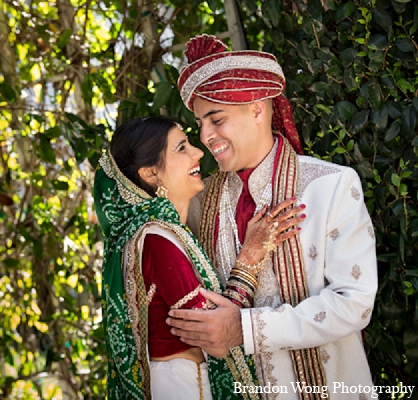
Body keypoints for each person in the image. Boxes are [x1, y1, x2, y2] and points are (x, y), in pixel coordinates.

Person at [167, 34, 378, 399]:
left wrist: (245, 330)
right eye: (200, 124)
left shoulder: (330, 185)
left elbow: (354, 302)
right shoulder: (204, 202)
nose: (206, 136)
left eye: (216, 119)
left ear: (257, 109)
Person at [93, 116, 305, 399]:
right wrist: (250, 257)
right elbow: (216, 340)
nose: (198, 153)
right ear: (150, 174)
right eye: (181, 148)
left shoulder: (153, 234)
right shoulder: (158, 240)